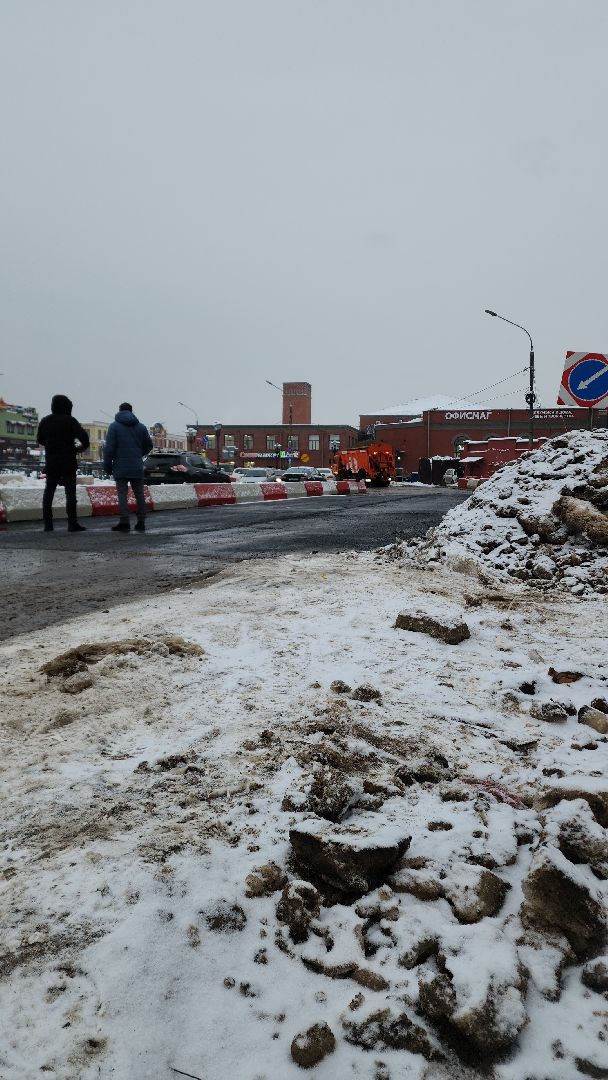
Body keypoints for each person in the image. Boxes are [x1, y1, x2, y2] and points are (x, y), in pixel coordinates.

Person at [37, 394, 90, 532]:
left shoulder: (45, 421)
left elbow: (40, 439)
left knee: (49, 493)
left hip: (52, 463)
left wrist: (52, 444)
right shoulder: (70, 421)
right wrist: (77, 448)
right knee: (70, 494)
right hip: (68, 462)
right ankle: (72, 523)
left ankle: (48, 524)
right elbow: (84, 438)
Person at [103, 402, 153, 532]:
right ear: (131, 411)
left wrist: (107, 465)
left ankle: (124, 521)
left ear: (119, 411)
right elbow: (149, 445)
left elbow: (109, 449)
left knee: (122, 494)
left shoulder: (114, 427)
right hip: (136, 465)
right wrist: (138, 454)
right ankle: (141, 522)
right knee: (139, 494)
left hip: (120, 466)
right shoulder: (141, 427)